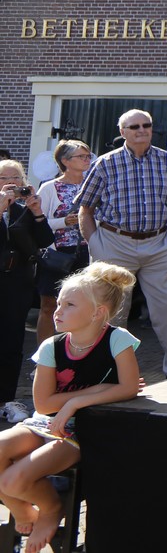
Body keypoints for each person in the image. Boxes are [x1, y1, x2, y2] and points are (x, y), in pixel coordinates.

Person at [0, 262, 140, 552]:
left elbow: (128, 388)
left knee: (12, 480)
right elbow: (43, 404)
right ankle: (24, 510)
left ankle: (51, 508)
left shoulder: (117, 339)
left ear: (97, 313)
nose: (57, 311)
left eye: (69, 305)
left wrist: (76, 401)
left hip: (82, 431)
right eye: (59, 302)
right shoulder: (51, 346)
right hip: (43, 423)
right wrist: (99, 390)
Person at [74, 109, 167, 378]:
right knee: (111, 310)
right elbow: (86, 209)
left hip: (160, 244)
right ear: (122, 132)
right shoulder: (105, 164)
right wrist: (95, 244)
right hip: (114, 243)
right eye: (135, 126)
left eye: (146, 125)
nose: (142, 130)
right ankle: (109, 372)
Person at [0, 161, 55, 423]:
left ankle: (6, 399)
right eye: (4, 178)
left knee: (12, 342)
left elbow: (45, 240)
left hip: (16, 283)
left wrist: (37, 212)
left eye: (16, 178)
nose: (10, 183)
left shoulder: (24, 210)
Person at [36, 140, 93, 344]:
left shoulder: (93, 185)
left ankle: (78, 350)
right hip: (57, 254)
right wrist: (64, 222)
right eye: (81, 156)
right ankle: (43, 354)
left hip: (87, 252)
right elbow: (37, 223)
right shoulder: (49, 188)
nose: (86, 160)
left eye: (88, 156)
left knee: (84, 305)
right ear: (65, 161)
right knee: (49, 305)